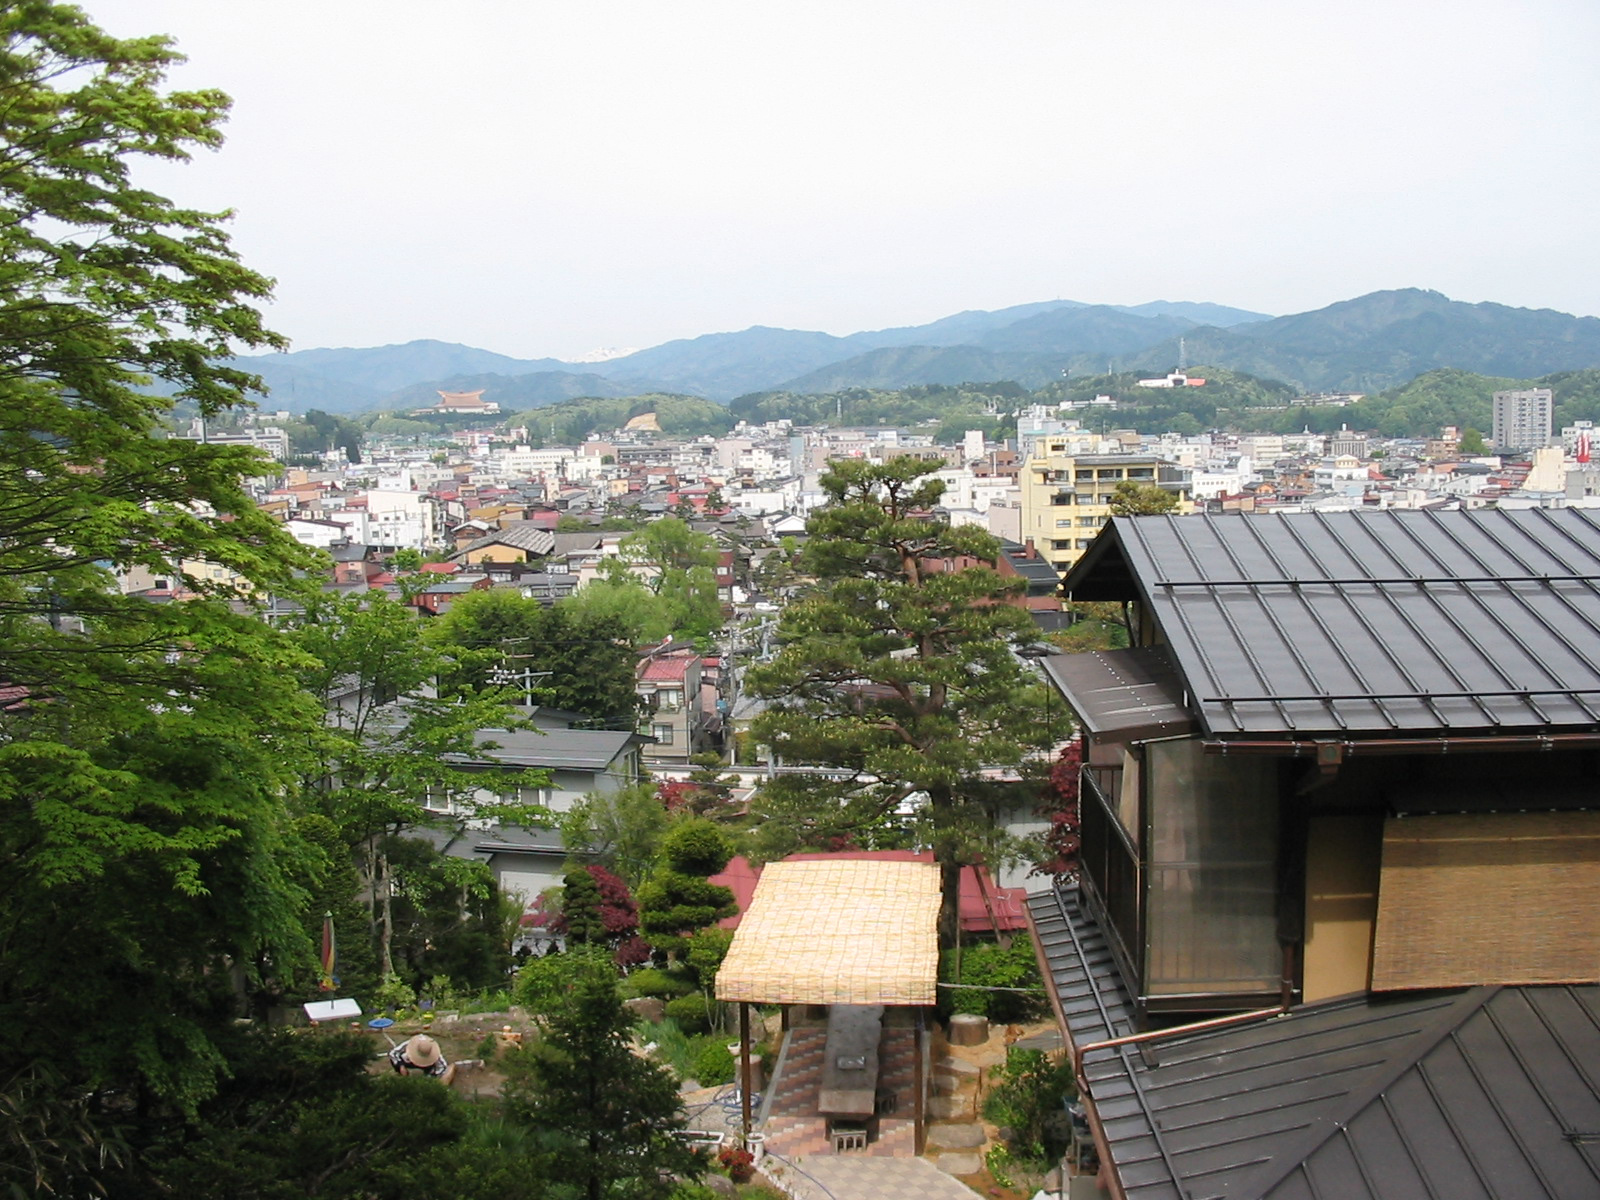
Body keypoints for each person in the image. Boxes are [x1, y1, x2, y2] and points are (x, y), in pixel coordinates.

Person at [388, 1033, 456, 1085]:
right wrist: (401, 1066)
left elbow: (442, 1068)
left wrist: (431, 1078)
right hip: (406, 1062)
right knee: (395, 1061)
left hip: (427, 1068)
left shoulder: (437, 1058)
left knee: (432, 1075)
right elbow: (392, 1053)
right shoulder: (409, 1044)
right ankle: (402, 1075)